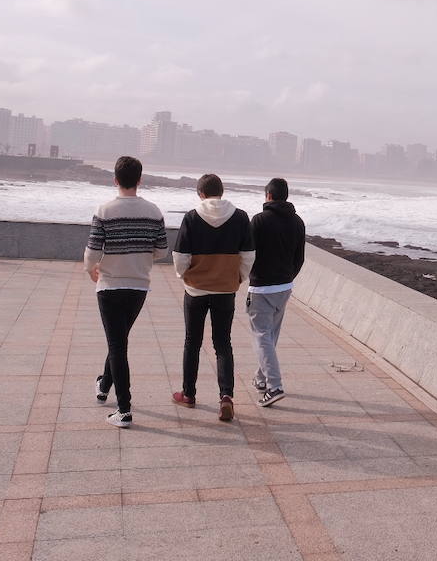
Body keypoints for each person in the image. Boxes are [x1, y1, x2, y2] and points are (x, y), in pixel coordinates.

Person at [84, 156, 167, 428]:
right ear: (139, 180)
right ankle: (103, 385)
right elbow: (161, 251)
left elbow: (92, 252)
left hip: (110, 286)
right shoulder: (154, 212)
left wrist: (91, 269)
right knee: (118, 340)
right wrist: (139, 257)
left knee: (118, 345)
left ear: (115, 180)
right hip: (138, 286)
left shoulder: (104, 210)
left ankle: (124, 410)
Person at [171, 173, 254, 422]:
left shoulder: (192, 217)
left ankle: (188, 394)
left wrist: (185, 276)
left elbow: (180, 256)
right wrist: (237, 278)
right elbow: (248, 255)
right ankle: (226, 396)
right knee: (223, 343)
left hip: (195, 290)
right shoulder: (240, 217)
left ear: (201, 194)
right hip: (225, 290)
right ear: (222, 192)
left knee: (192, 342)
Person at [247, 177, 305, 407]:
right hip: (284, 287)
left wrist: (248, 276)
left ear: (268, 195)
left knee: (262, 336)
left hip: (262, 287)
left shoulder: (259, 220)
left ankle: (275, 386)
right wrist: (288, 277)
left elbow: (248, 253)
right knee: (270, 336)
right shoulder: (298, 222)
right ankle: (261, 379)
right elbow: (300, 258)